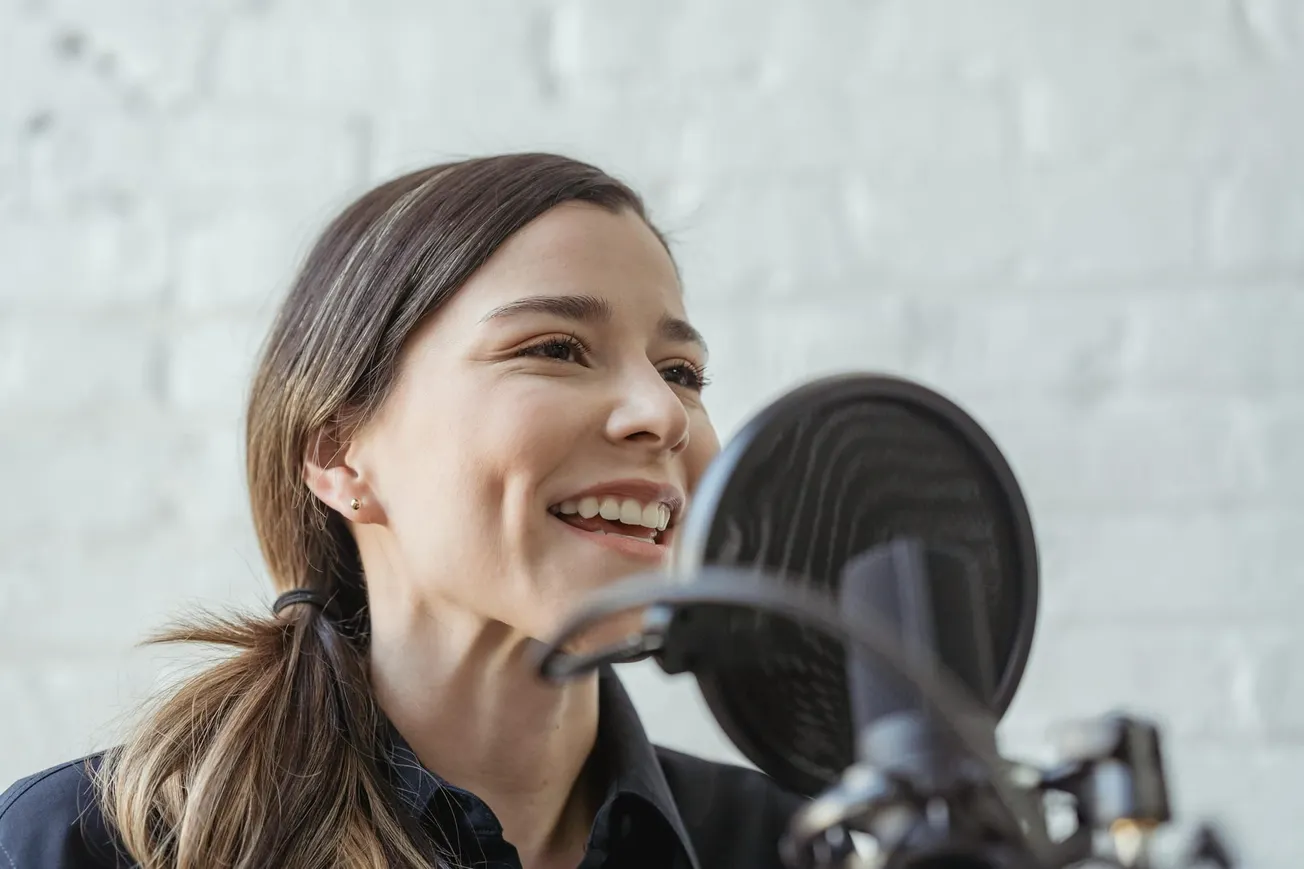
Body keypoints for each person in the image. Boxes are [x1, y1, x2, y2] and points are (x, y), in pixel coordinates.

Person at [0, 154, 803, 868]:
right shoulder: (85, 845)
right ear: (339, 451)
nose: (662, 413)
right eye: (555, 348)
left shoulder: (792, 843)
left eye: (683, 372)